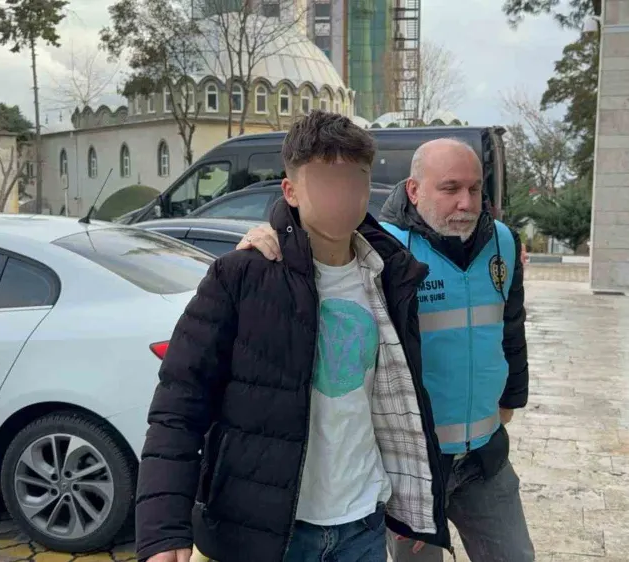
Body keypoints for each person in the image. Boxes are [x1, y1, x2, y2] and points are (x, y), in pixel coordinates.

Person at [134, 111, 450, 562]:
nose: (343, 194)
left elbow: (403, 398)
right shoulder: (241, 276)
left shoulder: (390, 278)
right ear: (291, 191)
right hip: (266, 532)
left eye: (355, 178)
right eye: (325, 180)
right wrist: (163, 529)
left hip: (362, 524)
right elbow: (178, 405)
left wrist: (414, 505)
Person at [238, 138, 534, 561]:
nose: (467, 202)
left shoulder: (502, 241)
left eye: (474, 188)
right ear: (414, 190)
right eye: (450, 188)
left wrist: (512, 399)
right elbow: (312, 233)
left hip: (485, 459)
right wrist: (271, 233)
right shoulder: (379, 247)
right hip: (414, 467)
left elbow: (511, 327)